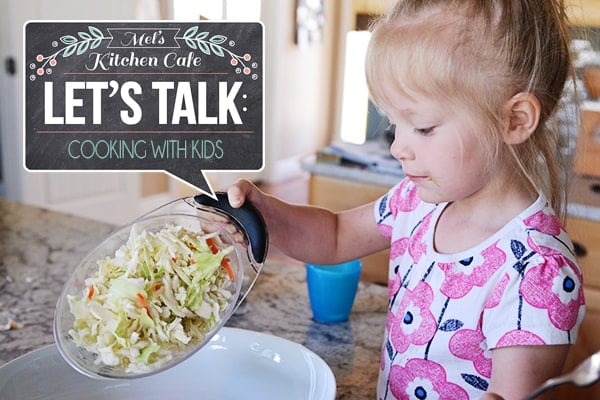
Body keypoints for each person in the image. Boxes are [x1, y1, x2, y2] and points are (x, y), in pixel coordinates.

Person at [227, 0, 586, 398]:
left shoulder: (536, 271)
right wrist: (265, 215)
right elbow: (335, 235)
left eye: (422, 127)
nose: (399, 147)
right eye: (395, 125)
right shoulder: (418, 203)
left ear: (515, 120)